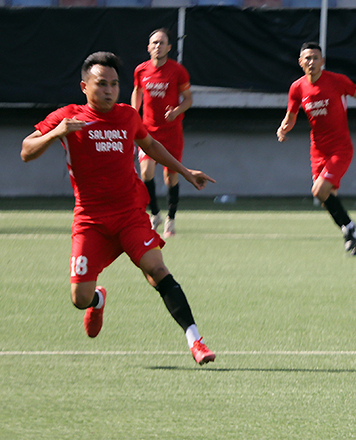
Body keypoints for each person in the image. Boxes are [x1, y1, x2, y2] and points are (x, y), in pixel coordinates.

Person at [20, 52, 216, 365]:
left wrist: (185, 171)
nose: (110, 90)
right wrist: (56, 133)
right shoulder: (68, 116)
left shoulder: (127, 116)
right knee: (79, 299)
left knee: (157, 270)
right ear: (84, 86)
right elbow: (26, 151)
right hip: (91, 221)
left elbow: (150, 145)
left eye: (114, 84)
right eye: (101, 84)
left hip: (130, 215)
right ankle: (97, 299)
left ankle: (196, 341)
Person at [277, 42, 356, 255]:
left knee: (319, 191)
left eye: (315, 58)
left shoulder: (337, 81)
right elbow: (291, 116)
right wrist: (284, 128)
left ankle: (354, 232)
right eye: (307, 58)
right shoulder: (297, 87)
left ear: (323, 61)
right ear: (300, 62)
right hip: (317, 150)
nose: (311, 62)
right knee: (326, 198)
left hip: (340, 148)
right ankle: (353, 237)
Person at [131, 28, 193, 238]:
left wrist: (176, 111)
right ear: (149, 47)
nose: (158, 46)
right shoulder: (141, 70)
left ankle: (171, 219)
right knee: (146, 172)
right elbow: (138, 92)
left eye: (161, 42)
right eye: (154, 43)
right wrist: (134, 116)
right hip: (148, 131)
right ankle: (155, 214)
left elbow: (188, 99)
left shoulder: (178, 71)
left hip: (171, 132)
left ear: (169, 47)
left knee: (170, 176)